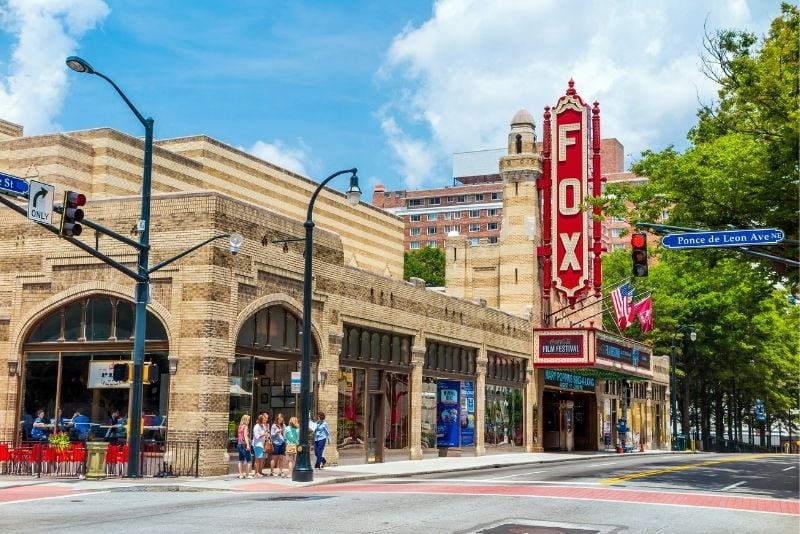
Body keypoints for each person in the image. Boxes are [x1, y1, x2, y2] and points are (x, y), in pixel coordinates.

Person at [270, 413, 287, 477]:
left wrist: (283, 432)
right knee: (274, 458)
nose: (280, 420)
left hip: (282, 443)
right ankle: (272, 471)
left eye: (281, 418)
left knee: (281, 458)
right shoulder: (274, 426)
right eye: (279, 418)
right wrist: (277, 432)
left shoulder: (284, 425)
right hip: (275, 443)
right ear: (277, 418)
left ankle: (281, 471)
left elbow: (285, 434)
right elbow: (271, 435)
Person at [236, 414, 252, 479]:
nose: (249, 421)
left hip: (239, 444)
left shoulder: (240, 426)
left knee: (240, 460)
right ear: (246, 420)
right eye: (248, 419)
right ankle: (247, 475)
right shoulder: (245, 427)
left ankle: (241, 474)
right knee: (249, 460)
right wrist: (248, 445)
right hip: (244, 445)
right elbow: (245, 436)